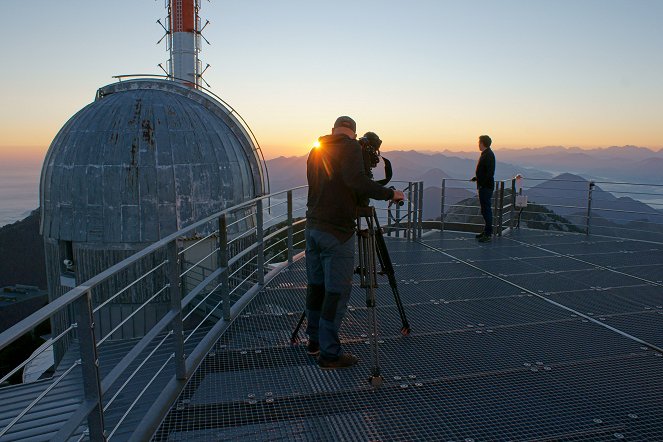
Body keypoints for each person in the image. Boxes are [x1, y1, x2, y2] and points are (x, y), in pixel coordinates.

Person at [305, 116, 405, 369]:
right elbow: (356, 182)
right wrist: (389, 193)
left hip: (313, 227)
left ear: (333, 130)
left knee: (316, 287)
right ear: (353, 132)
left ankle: (314, 341)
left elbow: (328, 184)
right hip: (337, 231)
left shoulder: (317, 148)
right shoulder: (350, 147)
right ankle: (329, 354)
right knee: (336, 293)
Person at [470, 135, 496, 243]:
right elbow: (484, 171)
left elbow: (489, 173)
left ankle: (488, 234)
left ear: (482, 143)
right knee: (485, 210)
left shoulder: (488, 155)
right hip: (484, 186)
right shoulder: (486, 154)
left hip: (485, 187)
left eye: (479, 142)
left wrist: (481, 184)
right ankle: (486, 231)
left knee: (486, 210)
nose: (478, 144)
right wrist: (477, 178)